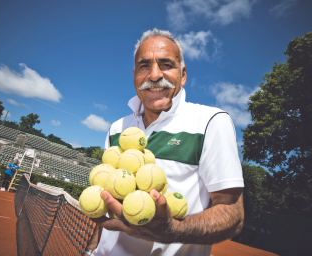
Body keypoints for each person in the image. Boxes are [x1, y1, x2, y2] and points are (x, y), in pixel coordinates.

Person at [87, 29, 244, 256]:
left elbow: (233, 215)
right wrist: (91, 250)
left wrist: (172, 230)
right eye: (144, 65)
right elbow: (108, 204)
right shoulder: (116, 129)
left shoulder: (211, 121)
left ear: (183, 74)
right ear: (134, 76)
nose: (153, 75)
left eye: (165, 64)